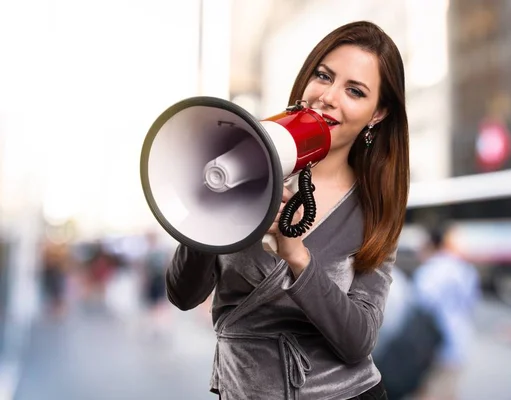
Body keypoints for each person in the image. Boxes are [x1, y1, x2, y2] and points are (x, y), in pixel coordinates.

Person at [166, 20, 409, 400]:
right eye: (323, 76)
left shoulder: (374, 208)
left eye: (355, 91)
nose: (328, 96)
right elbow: (183, 294)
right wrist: (209, 205)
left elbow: (358, 340)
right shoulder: (241, 153)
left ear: (377, 114)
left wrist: (298, 258)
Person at [411, 225, 480, 400]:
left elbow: (421, 308)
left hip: (433, 347)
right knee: (448, 392)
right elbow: (471, 304)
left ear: (431, 244)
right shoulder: (465, 269)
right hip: (458, 341)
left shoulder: (429, 271)